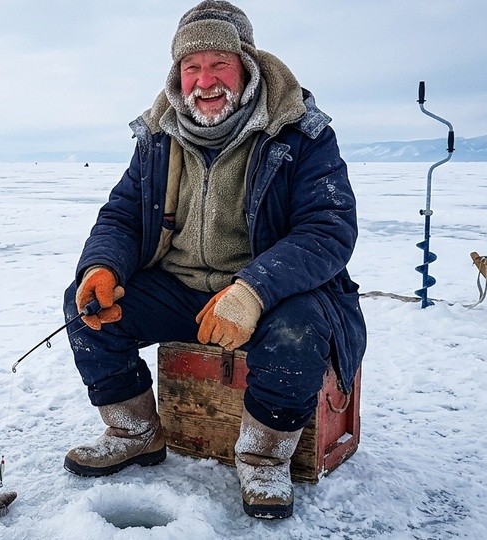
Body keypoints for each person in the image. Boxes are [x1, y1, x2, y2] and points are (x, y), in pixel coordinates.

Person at [61, 0, 366, 520]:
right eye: (191, 66)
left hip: (270, 294)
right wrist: (102, 268)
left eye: (218, 63)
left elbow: (328, 229)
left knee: (298, 331)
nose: (205, 80)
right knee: (85, 306)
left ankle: (264, 456)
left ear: (246, 65)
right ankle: (134, 431)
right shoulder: (158, 138)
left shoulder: (300, 133)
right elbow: (122, 215)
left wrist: (252, 291)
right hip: (180, 289)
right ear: (177, 75)